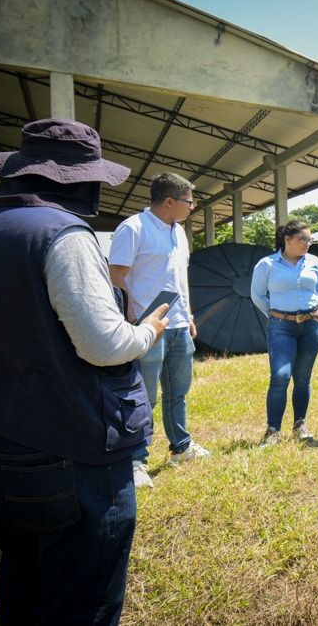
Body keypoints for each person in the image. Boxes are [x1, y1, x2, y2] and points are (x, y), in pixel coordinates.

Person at [0, 119, 169, 625]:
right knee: (81, 601)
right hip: (67, 445)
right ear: (75, 179)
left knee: (24, 579)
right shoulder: (62, 233)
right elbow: (105, 345)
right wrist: (147, 331)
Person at [109, 171, 209, 489]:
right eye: (189, 201)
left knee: (177, 392)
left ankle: (181, 446)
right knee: (144, 396)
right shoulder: (133, 229)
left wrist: (189, 313)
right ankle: (136, 459)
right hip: (148, 327)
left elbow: (179, 277)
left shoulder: (179, 232)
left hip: (178, 323)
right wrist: (129, 313)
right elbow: (116, 275)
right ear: (169, 201)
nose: (192, 207)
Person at [251, 220, 318, 446]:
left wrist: (307, 308)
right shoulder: (266, 265)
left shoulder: (314, 262)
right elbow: (257, 295)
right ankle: (273, 430)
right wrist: (277, 314)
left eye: (309, 239)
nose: (308, 243)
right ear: (287, 240)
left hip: (312, 325)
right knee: (280, 376)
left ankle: (300, 425)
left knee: (303, 378)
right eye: (303, 239)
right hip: (280, 327)